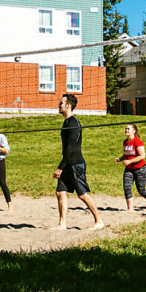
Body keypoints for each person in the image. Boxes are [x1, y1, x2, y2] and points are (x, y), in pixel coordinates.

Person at [52, 93, 104, 230]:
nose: (59, 105)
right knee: (60, 192)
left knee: (82, 194)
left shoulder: (73, 123)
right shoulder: (66, 122)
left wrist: (60, 168)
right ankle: (62, 224)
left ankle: (99, 220)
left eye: (61, 103)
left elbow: (71, 149)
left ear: (68, 106)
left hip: (75, 164)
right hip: (68, 163)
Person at [116, 123, 146, 212]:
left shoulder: (137, 141)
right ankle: (130, 209)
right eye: (125, 129)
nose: (126, 130)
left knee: (141, 190)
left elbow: (142, 156)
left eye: (128, 129)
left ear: (133, 131)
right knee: (127, 188)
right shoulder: (125, 142)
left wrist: (129, 161)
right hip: (129, 169)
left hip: (140, 169)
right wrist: (120, 159)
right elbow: (126, 154)